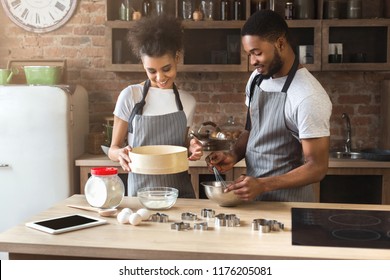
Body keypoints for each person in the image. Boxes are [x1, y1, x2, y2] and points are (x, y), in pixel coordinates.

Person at [206, 10, 332, 202]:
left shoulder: (308, 96)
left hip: (291, 205)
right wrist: (232, 155)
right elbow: (252, 130)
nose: (252, 62)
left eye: (257, 53)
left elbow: (317, 168)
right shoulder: (257, 79)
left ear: (280, 43)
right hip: (254, 200)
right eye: (249, 54)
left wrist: (263, 184)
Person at [108, 15, 203, 198]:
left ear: (177, 57)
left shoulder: (187, 102)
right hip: (141, 195)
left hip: (180, 194)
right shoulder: (130, 96)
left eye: (166, 69)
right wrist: (120, 153)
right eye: (151, 71)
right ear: (143, 66)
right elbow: (113, 148)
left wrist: (191, 146)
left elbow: (178, 145)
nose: (160, 78)